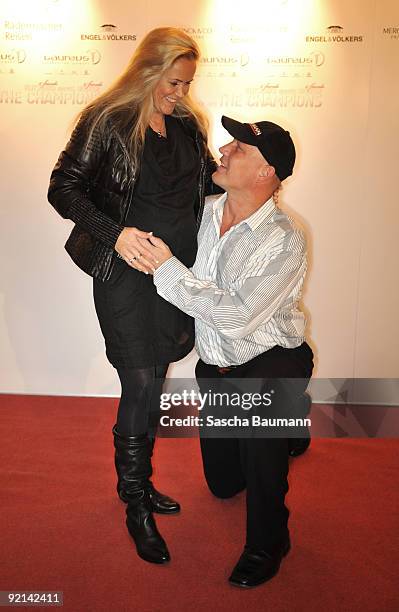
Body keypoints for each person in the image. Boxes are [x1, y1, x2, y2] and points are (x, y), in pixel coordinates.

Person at [47, 27, 221, 565]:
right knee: (140, 378)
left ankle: (142, 484)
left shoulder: (189, 122)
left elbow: (201, 184)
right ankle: (134, 501)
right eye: (173, 82)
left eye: (187, 83)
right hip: (124, 268)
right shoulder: (106, 119)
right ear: (147, 70)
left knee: (159, 372)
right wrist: (115, 233)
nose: (180, 93)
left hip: (176, 270)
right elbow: (63, 188)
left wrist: (250, 176)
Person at [143, 115, 314, 587]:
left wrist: (167, 271)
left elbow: (238, 317)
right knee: (224, 484)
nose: (224, 149)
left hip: (269, 359)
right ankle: (288, 427)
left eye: (239, 147)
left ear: (266, 173)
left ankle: (269, 542)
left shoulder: (285, 238)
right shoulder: (202, 212)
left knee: (261, 459)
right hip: (215, 365)